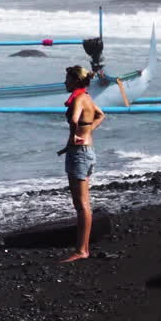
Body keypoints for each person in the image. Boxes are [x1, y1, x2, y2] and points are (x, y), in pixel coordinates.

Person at [58, 65, 105, 263]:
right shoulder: (87, 98)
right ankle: (82, 248)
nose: (65, 82)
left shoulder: (78, 99)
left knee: (81, 204)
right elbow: (101, 115)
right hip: (87, 151)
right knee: (84, 204)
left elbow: (74, 120)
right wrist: (87, 133)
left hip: (79, 154)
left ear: (76, 81)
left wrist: (74, 137)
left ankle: (81, 250)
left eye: (68, 79)